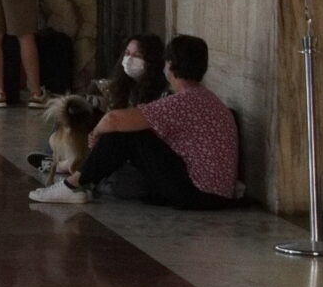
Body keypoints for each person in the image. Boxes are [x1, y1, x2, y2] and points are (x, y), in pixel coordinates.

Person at [35, 33, 239, 209]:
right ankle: (80, 178)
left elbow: (114, 119)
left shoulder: (183, 101)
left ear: (169, 66)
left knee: (127, 133)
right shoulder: (204, 97)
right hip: (212, 193)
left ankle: (71, 185)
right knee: (126, 134)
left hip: (198, 193)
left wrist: (95, 133)